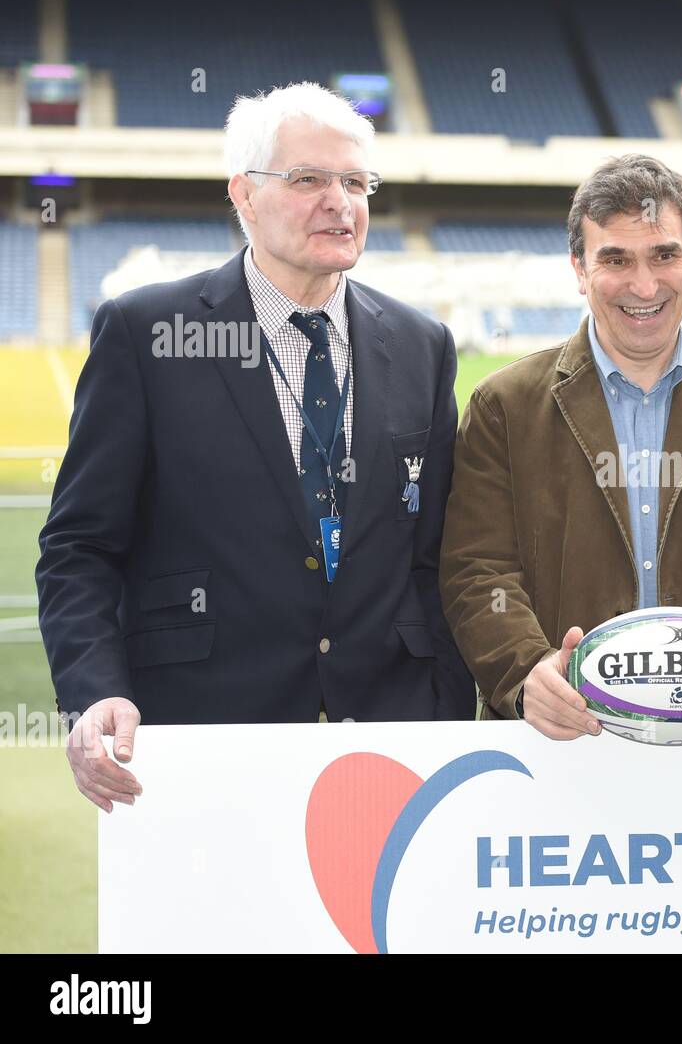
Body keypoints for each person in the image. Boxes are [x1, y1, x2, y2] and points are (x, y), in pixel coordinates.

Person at [37, 82, 474, 813]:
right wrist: (95, 690)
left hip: (390, 747)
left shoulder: (422, 345)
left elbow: (433, 556)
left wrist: (445, 701)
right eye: (308, 179)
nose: (341, 201)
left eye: (356, 181)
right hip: (202, 746)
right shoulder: (148, 334)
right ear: (244, 194)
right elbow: (80, 547)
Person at [440, 154, 682, 741]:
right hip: (563, 746)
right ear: (579, 268)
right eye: (615, 260)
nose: (644, 286)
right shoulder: (504, 406)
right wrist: (527, 671)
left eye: (664, 255)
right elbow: (478, 570)